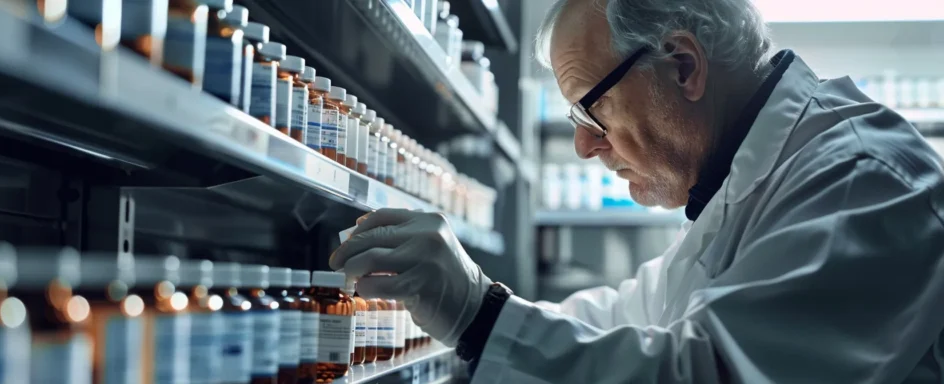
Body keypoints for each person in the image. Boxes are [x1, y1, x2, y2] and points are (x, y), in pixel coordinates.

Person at [331, 0, 944, 382]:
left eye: (592, 112)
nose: (585, 146)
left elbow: (708, 375)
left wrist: (480, 316)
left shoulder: (859, 177)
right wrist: (474, 308)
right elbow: (626, 319)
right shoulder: (743, 183)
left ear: (683, 66)